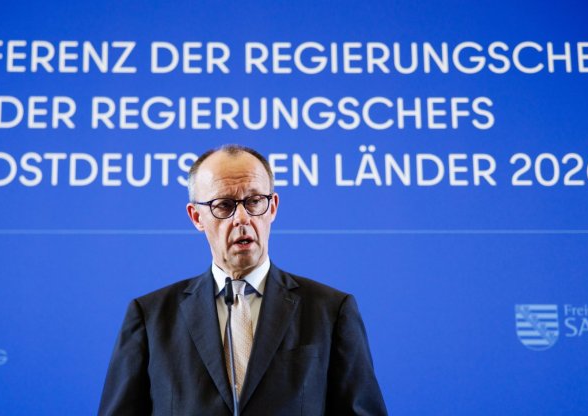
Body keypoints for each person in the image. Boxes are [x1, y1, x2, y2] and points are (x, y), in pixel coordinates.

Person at [98, 144, 387, 415]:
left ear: (273, 207)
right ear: (196, 217)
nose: (242, 218)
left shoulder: (331, 311)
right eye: (224, 205)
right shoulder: (150, 317)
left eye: (254, 201)